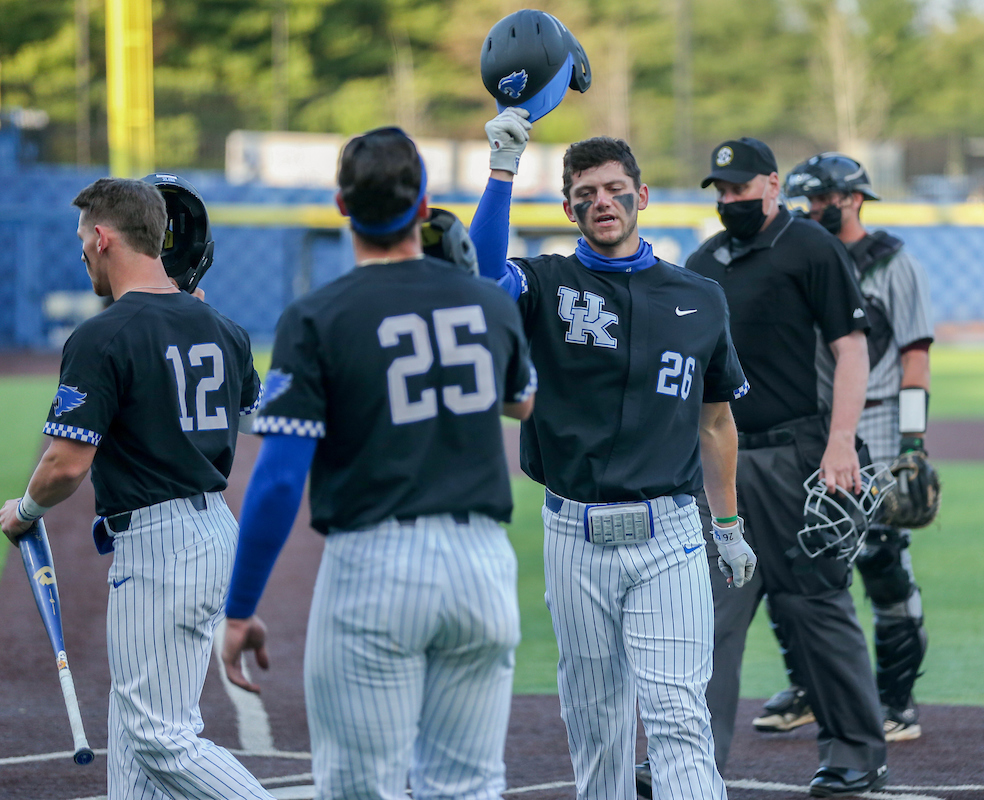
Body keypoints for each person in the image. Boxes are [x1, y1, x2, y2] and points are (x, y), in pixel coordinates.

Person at [218, 127, 536, 799]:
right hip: (482, 568)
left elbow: (278, 480)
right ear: (424, 207)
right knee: (470, 788)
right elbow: (522, 405)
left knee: (363, 789)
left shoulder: (317, 317)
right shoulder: (488, 302)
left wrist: (241, 606)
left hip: (376, 569)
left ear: (340, 204)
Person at [469, 109, 755, 800]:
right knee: (594, 727)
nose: (602, 201)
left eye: (614, 188)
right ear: (568, 208)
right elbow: (478, 277)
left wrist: (729, 526)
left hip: (670, 535)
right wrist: (502, 168)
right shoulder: (544, 283)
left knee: (678, 719)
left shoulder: (700, 297)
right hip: (574, 532)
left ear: (642, 197)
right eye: (585, 193)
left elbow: (716, 422)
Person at [0, 177, 272, 799]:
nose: (82, 253)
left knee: (158, 735)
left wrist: (26, 509)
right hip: (205, 529)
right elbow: (248, 403)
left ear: (103, 237)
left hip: (162, 547)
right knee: (132, 734)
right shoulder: (224, 327)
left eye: (82, 239)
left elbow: (67, 464)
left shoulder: (103, 334)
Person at [681, 137, 889, 798]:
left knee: (815, 606)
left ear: (773, 185)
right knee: (709, 617)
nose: (730, 199)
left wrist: (841, 442)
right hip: (720, 460)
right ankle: (688, 759)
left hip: (798, 452)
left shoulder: (811, 247)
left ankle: (855, 753)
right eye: (721, 189)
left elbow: (851, 349)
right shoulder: (702, 262)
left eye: (741, 187)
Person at [777, 152, 934, 741]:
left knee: (883, 561)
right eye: (808, 200)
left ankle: (896, 701)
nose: (814, 209)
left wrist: (913, 444)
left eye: (824, 199)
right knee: (799, 557)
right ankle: (809, 688)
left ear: (855, 198)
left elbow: (916, 354)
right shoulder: (802, 258)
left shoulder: (894, 263)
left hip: (881, 423)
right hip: (814, 427)